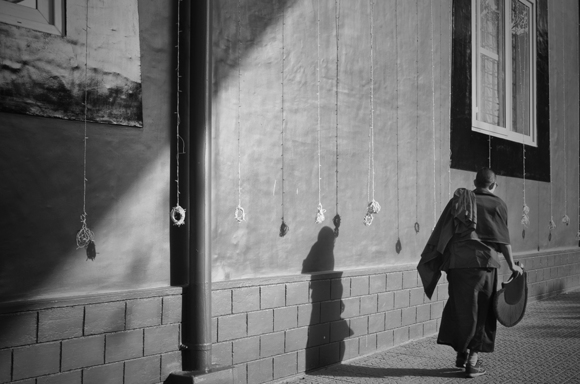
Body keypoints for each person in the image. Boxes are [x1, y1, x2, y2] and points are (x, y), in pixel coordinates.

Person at [418, 168, 523, 378]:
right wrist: (513, 266)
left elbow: (443, 232)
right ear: (493, 185)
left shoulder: (459, 201)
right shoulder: (497, 204)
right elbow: (503, 240)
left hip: (458, 264)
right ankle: (473, 362)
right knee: (481, 311)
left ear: (475, 182)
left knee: (461, 307)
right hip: (484, 265)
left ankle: (461, 353)